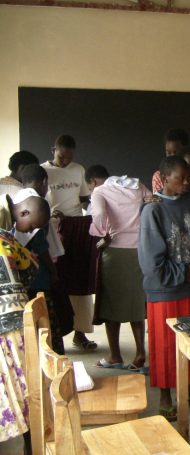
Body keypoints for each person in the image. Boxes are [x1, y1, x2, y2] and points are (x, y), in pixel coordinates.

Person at [138, 156, 190, 420]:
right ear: (164, 177)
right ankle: (166, 395)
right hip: (166, 289)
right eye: (180, 178)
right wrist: (185, 272)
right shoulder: (153, 210)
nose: (186, 182)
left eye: (188, 177)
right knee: (165, 346)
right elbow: (152, 264)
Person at [0, 189, 51, 455]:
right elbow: (29, 267)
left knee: (19, 389)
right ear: (23, 213)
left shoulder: (7, 235)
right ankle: (31, 446)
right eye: (30, 226)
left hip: (13, 324)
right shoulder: (6, 234)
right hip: (13, 322)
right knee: (24, 388)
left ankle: (31, 445)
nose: (27, 231)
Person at [87, 165, 151, 372]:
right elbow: (153, 203)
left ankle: (115, 355)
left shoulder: (100, 191)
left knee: (111, 306)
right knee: (136, 305)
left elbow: (97, 214)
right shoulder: (138, 186)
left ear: (94, 182)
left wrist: (103, 236)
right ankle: (141, 352)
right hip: (139, 251)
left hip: (114, 252)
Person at [41, 134, 97, 350]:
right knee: (59, 282)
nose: (65, 161)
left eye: (68, 157)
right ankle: (57, 336)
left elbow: (85, 198)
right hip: (54, 229)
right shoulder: (43, 171)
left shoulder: (79, 169)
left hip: (77, 228)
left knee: (80, 281)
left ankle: (80, 333)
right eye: (61, 156)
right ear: (52, 149)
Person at [20, 165, 72, 355]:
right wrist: (53, 272)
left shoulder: (17, 199)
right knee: (45, 318)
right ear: (44, 182)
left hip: (20, 271)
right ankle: (51, 357)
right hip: (38, 272)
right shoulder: (37, 203)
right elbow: (40, 244)